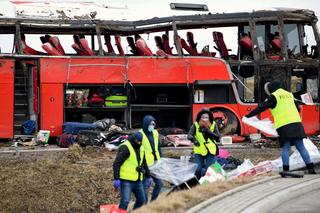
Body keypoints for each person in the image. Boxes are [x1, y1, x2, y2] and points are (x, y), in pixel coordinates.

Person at [245, 81, 316, 175]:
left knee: (285, 147)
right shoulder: (289, 95)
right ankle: (311, 169)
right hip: (297, 124)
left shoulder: (274, 96)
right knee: (301, 147)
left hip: (284, 126)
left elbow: (261, 107)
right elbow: (298, 108)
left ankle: (286, 170)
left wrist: (248, 116)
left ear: (271, 89)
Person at [113, 131, 149, 210]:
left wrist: (148, 176)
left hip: (137, 179)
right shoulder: (125, 147)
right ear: (133, 139)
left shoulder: (141, 148)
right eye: (137, 141)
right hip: (126, 180)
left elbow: (144, 163)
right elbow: (116, 163)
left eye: (140, 141)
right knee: (125, 201)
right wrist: (116, 178)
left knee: (141, 200)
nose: (139, 143)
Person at [187, 109, 220, 179]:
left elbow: (218, 137)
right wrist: (194, 139)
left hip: (211, 150)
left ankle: (206, 182)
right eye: (203, 117)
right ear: (200, 118)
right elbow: (189, 135)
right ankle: (198, 181)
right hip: (199, 150)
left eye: (206, 117)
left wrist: (208, 131)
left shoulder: (213, 124)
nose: (204, 119)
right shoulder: (195, 125)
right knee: (197, 169)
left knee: (209, 169)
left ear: (209, 118)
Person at [140, 115, 163, 202]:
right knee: (145, 186)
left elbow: (158, 147)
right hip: (146, 165)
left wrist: (161, 159)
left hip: (155, 163)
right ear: (146, 124)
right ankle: (145, 205)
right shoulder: (140, 134)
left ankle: (153, 201)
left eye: (153, 124)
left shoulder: (155, 133)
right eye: (150, 124)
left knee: (159, 184)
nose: (152, 126)